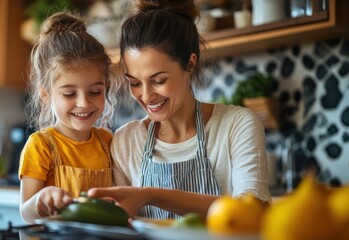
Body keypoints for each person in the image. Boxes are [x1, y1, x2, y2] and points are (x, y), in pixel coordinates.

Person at [88, 0, 271, 219]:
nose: (146, 96)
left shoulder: (236, 125)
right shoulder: (126, 141)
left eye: (159, 80)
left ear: (190, 64)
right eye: (135, 83)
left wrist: (151, 195)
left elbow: (253, 211)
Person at [18, 11, 114, 223]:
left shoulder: (108, 142)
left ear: (106, 88)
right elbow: (25, 214)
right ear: (46, 94)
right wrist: (41, 200)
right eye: (70, 93)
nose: (84, 103)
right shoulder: (40, 146)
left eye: (95, 92)